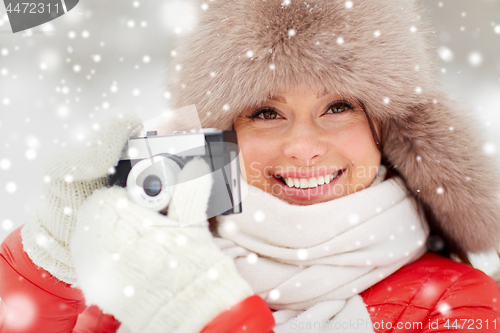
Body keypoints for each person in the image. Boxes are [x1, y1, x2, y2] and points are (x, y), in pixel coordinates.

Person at [1, 0, 500, 332]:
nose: (303, 147)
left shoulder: (460, 305)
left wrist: (206, 314)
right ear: (221, 136)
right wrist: (52, 267)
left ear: (389, 131)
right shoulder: (141, 266)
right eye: (266, 112)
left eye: (338, 107)